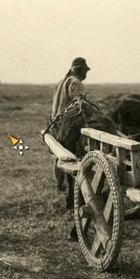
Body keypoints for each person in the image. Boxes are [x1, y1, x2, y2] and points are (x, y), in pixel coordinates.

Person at [50, 57, 90, 192]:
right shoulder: (75, 82)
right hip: (69, 127)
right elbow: (81, 106)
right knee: (73, 159)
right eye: (86, 71)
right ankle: (74, 192)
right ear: (82, 71)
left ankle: (60, 186)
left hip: (56, 126)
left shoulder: (61, 82)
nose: (86, 75)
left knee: (60, 156)